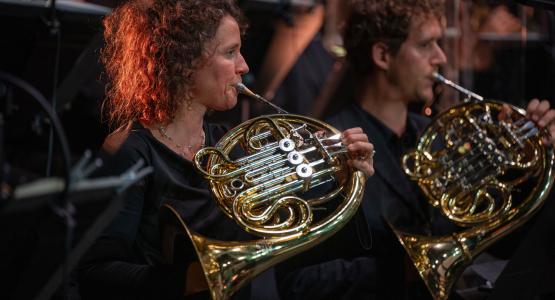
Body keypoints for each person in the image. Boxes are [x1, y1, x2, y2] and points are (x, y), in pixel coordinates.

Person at [76, 0, 375, 299]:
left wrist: (342, 177)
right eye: (230, 52)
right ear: (185, 62)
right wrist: (191, 278)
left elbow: (288, 248)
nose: (244, 66)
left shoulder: (232, 145)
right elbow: (95, 273)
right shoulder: (131, 151)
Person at [277, 0, 555, 299]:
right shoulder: (329, 147)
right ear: (383, 55)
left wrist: (530, 159)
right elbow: (301, 282)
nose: (440, 57)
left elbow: (496, 237)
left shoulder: (439, 136)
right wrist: (401, 270)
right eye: (426, 45)